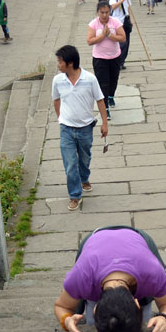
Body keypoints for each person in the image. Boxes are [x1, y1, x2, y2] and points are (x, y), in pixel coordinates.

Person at [54, 226, 166, 332]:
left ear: (137, 302)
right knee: (98, 323)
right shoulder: (81, 275)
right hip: (95, 243)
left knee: (141, 323)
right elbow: (62, 306)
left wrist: (164, 318)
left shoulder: (152, 272)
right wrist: (66, 320)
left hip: (137, 241)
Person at [52, 45, 108, 211]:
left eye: (60, 62)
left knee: (84, 158)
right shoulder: (58, 80)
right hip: (66, 129)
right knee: (70, 163)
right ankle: (75, 195)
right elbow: (56, 100)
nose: (58, 64)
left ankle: (84, 178)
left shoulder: (89, 79)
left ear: (70, 63)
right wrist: (61, 119)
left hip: (85, 128)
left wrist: (105, 123)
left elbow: (100, 100)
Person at [87, 0, 126, 121]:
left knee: (113, 80)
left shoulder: (115, 22)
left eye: (107, 12)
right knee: (102, 83)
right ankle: (106, 108)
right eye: (102, 12)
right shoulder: (93, 24)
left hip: (114, 57)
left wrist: (110, 35)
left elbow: (123, 38)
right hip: (100, 58)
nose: (104, 15)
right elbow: (89, 41)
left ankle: (111, 96)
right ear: (98, 12)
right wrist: (102, 36)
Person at [109, 0, 133, 70]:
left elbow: (128, 7)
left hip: (125, 20)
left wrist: (130, 19)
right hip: (117, 22)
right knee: (120, 43)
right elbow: (113, 6)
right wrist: (122, 0)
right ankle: (117, 62)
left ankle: (122, 61)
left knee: (126, 43)